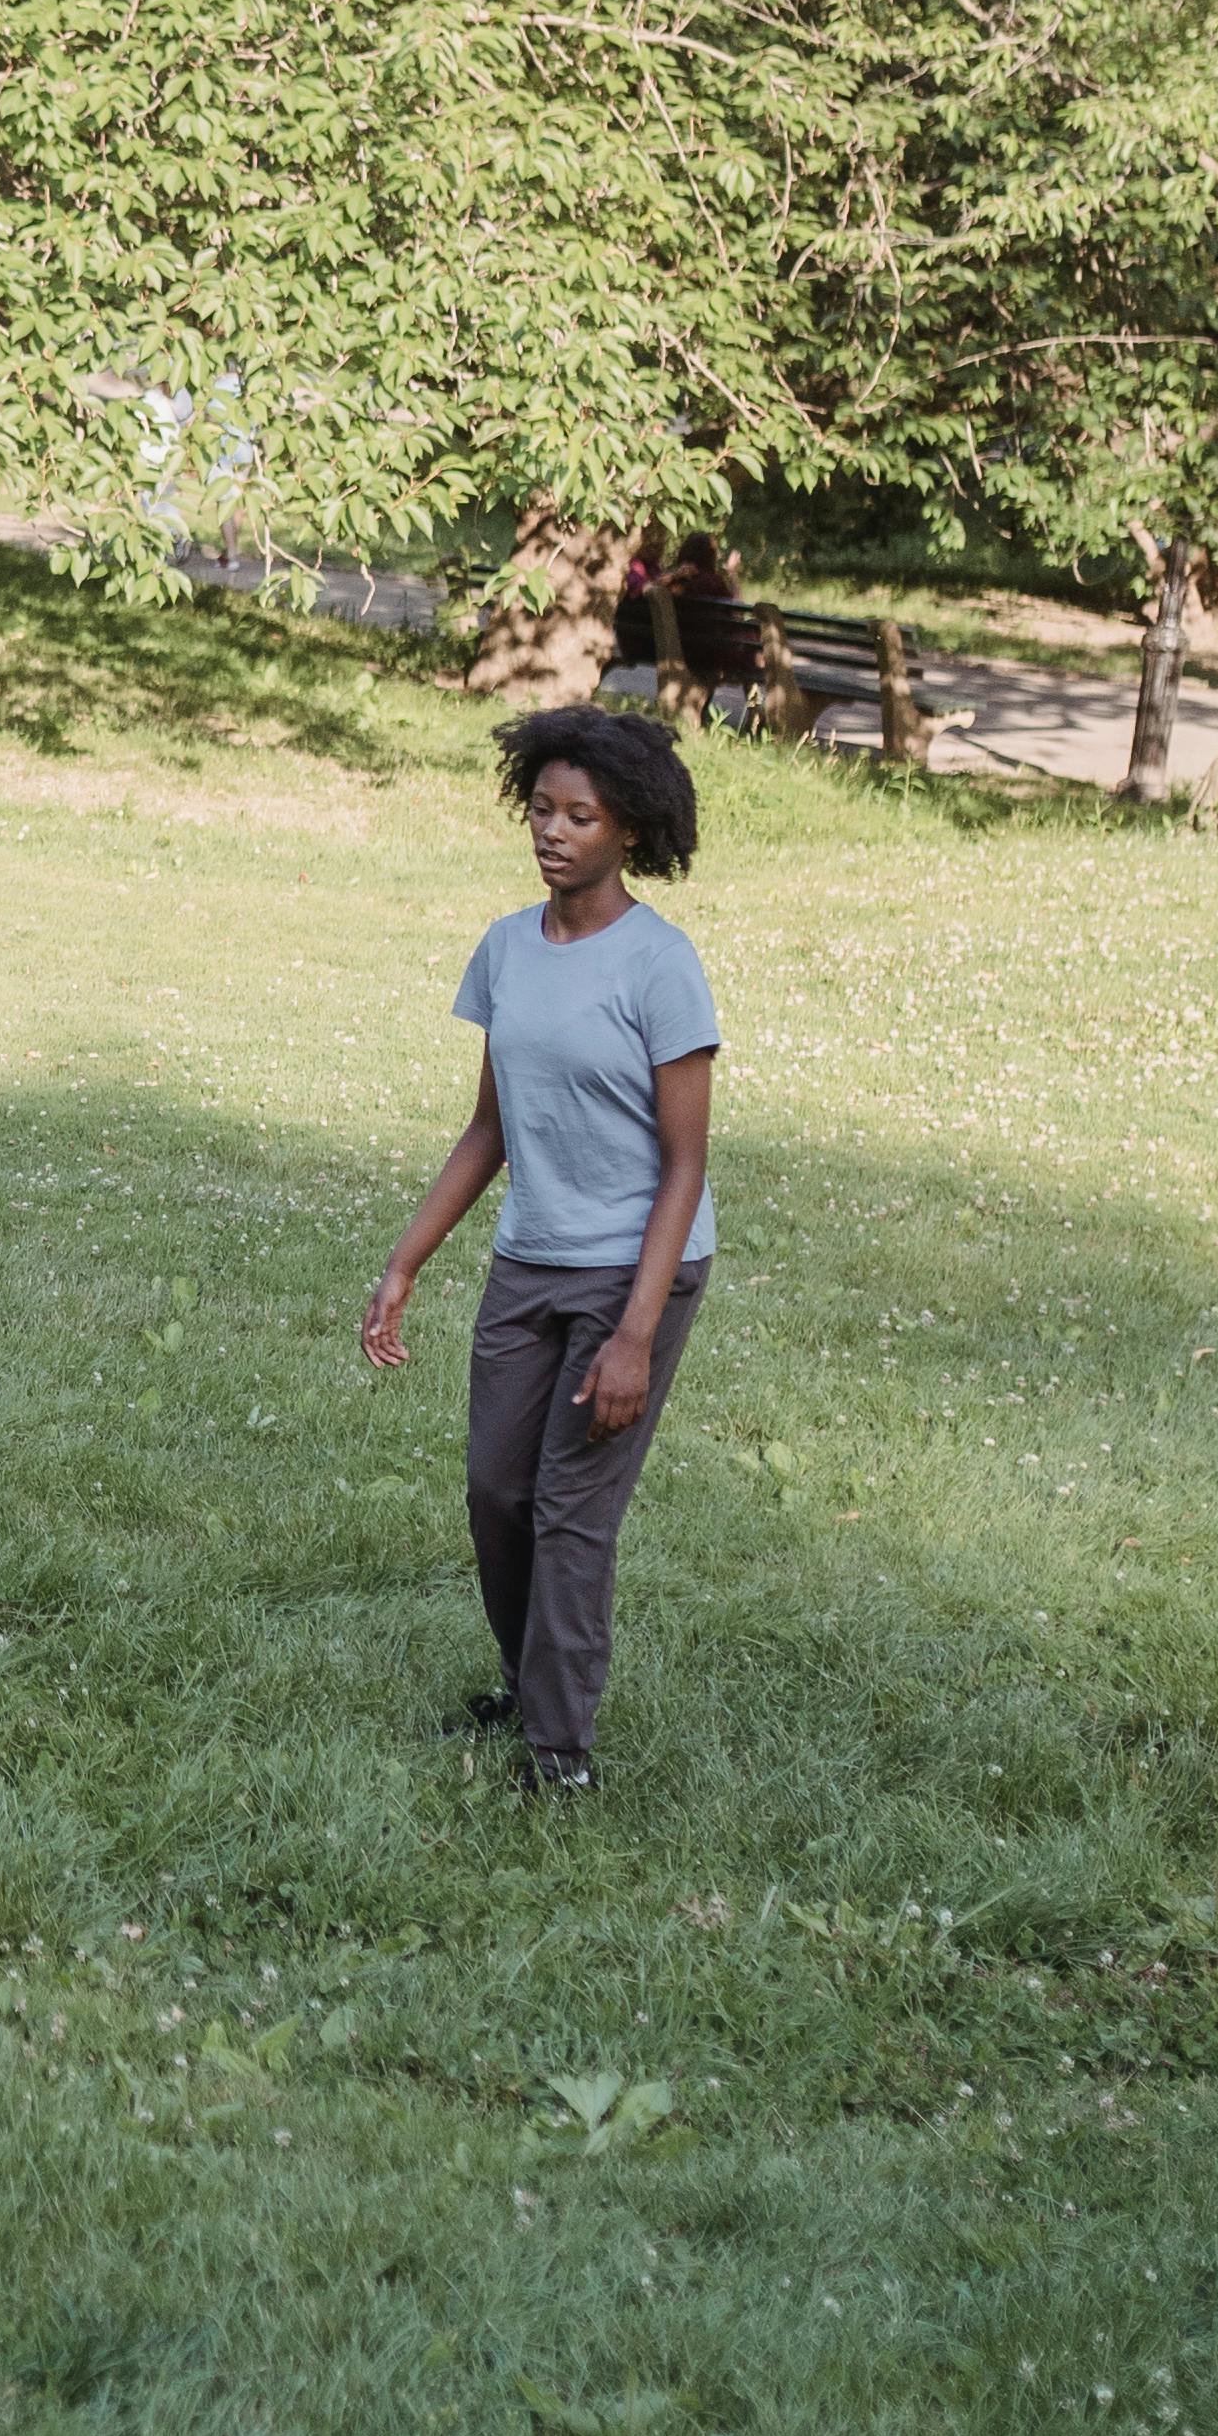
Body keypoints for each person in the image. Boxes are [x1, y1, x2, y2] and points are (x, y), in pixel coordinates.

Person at [357, 708, 718, 1794]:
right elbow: (489, 1128)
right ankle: (528, 1686)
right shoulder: (507, 947)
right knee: (495, 1494)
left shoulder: (660, 965)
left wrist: (636, 1335)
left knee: (571, 1514)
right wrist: (405, 1261)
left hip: (632, 1269)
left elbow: (685, 1166)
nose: (551, 833)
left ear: (631, 831)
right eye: (541, 810)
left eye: (580, 816)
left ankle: (558, 1755)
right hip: (529, 1259)